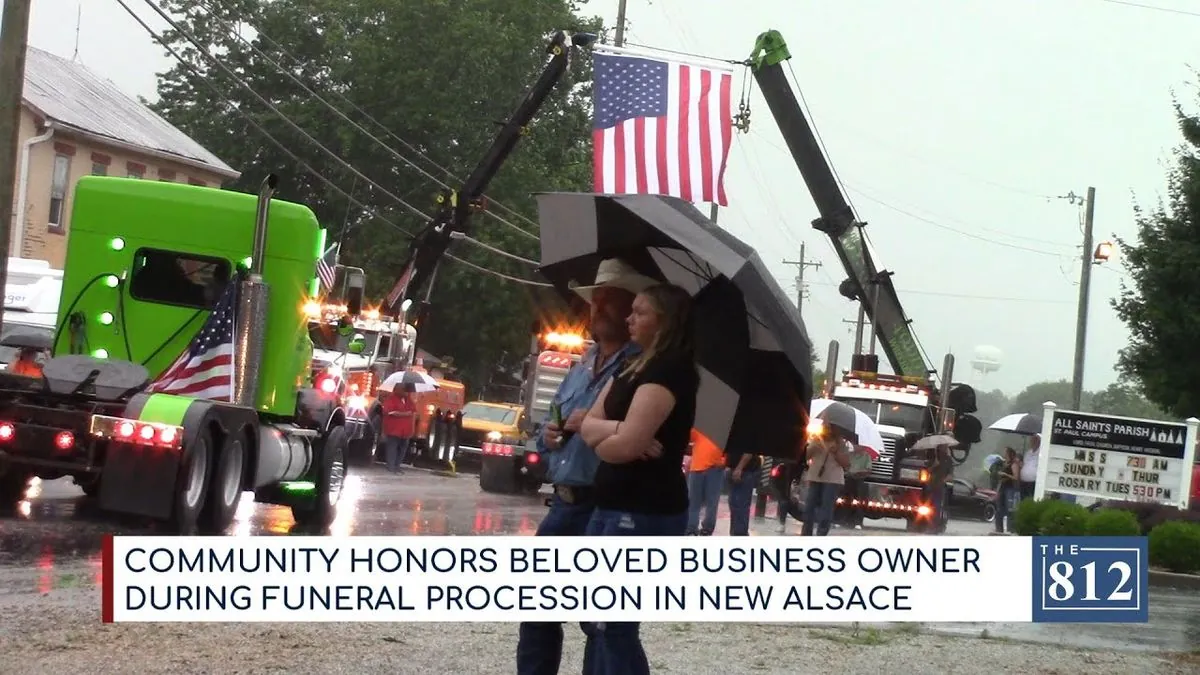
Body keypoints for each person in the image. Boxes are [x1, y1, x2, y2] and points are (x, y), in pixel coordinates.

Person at [516, 258, 647, 675]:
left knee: (599, 623)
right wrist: (549, 438)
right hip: (564, 506)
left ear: (631, 310)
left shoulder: (640, 368)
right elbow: (550, 425)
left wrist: (595, 425)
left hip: (607, 509)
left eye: (612, 299)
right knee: (537, 611)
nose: (601, 306)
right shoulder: (580, 364)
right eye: (597, 298)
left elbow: (642, 438)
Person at [579, 283, 698, 675]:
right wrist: (616, 430)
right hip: (609, 506)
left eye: (640, 312)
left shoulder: (671, 371)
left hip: (644, 510)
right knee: (594, 622)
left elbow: (625, 447)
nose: (629, 318)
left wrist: (610, 438)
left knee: (614, 623)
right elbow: (586, 425)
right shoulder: (633, 366)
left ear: (663, 322)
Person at [801, 423, 853, 536]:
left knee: (826, 508)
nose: (826, 429)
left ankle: (822, 533)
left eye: (829, 427)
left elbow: (846, 464)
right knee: (809, 505)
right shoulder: (816, 439)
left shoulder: (841, 443)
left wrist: (836, 452)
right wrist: (813, 447)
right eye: (824, 426)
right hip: (815, 476)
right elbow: (805, 456)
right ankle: (806, 533)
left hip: (832, 479)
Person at [685, 428, 725, 536]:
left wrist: (724, 462)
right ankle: (691, 528)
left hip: (715, 469)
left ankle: (707, 528)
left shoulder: (723, 429)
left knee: (712, 501)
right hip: (697, 468)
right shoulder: (698, 429)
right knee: (693, 501)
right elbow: (687, 436)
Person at [380, 382, 415, 473]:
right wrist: (404, 414)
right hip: (394, 429)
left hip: (406, 430)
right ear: (397, 390)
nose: (405, 391)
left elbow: (412, 411)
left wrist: (401, 413)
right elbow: (389, 412)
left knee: (403, 448)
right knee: (392, 447)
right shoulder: (391, 399)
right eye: (403, 389)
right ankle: (391, 466)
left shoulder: (408, 400)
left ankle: (397, 466)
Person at [725, 448, 761, 536]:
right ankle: (736, 533)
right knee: (734, 504)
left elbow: (749, 451)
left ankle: (740, 534)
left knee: (740, 504)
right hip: (735, 469)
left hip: (745, 471)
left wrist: (739, 468)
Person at [994, 447, 1022, 533]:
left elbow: (1016, 477)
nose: (1004, 454)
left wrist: (1005, 474)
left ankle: (1010, 529)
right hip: (1002, 487)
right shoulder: (1004, 463)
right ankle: (999, 529)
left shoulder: (1013, 464)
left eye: (1006, 452)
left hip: (1010, 488)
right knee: (999, 509)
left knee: (1009, 509)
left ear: (1009, 453)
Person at [1019, 434, 1040, 499]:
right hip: (1024, 481)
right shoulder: (1028, 452)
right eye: (1031, 441)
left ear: (1038, 442)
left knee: (1031, 498)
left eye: (1034, 441)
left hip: (1033, 481)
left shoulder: (1041, 452)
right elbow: (1025, 464)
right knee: (1023, 498)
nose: (1032, 442)